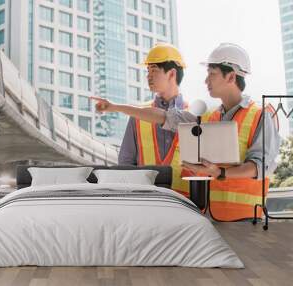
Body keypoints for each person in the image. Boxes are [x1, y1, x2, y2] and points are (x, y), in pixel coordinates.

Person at [93, 43, 280, 221]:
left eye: (212, 74)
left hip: (245, 219)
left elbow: (260, 166)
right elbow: (165, 117)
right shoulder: (206, 116)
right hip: (207, 217)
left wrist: (218, 172)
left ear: (231, 77)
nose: (206, 80)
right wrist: (116, 107)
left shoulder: (261, 115)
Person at [91, 42, 191, 197]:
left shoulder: (193, 116)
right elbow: (125, 163)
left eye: (154, 70)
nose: (148, 76)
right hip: (147, 201)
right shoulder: (137, 116)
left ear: (171, 74)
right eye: (148, 71)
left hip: (184, 202)